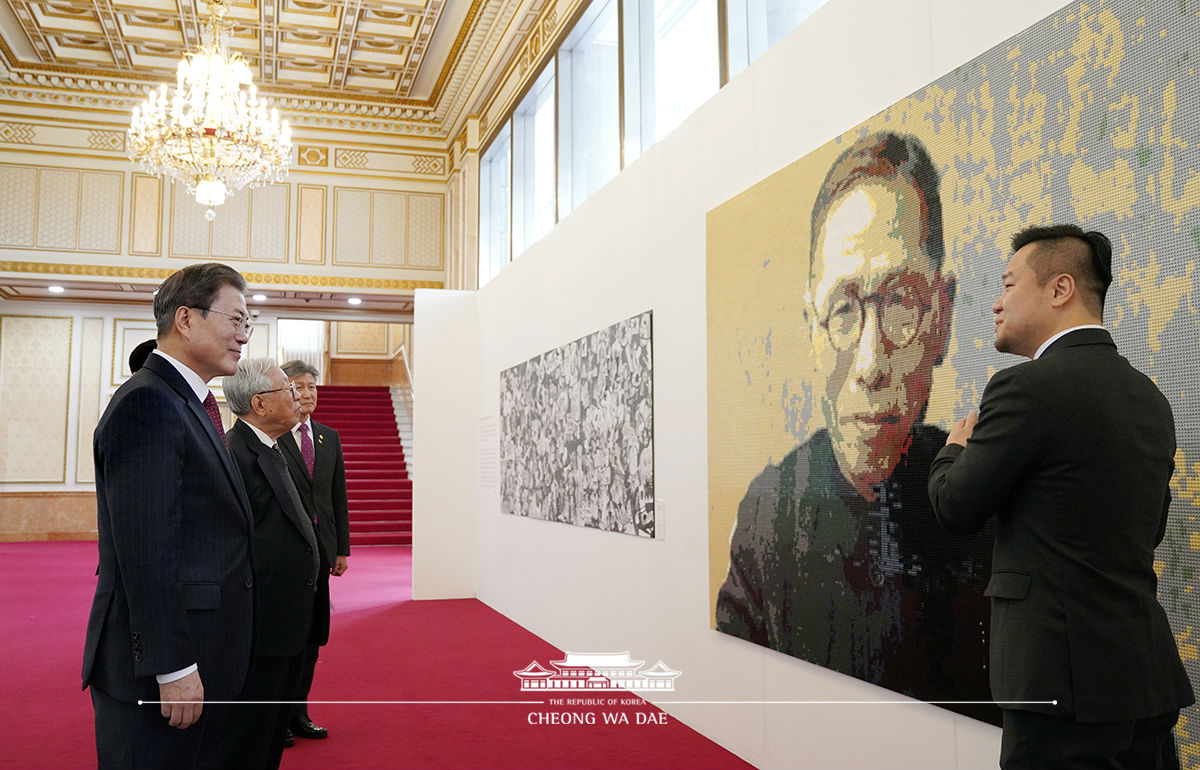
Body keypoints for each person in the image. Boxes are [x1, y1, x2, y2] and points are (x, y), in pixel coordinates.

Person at [715, 131, 995, 719]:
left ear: (941, 318)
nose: (870, 363)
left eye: (900, 300)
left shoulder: (995, 510)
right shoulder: (769, 516)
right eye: (843, 307)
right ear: (812, 331)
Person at [928, 224, 1194, 768]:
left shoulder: (1023, 388)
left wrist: (952, 450)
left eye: (1007, 285)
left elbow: (956, 506)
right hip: (1144, 682)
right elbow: (1147, 531)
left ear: (1060, 289)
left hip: (1057, 692)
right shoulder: (1151, 400)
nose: (996, 305)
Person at [82, 263, 255, 770]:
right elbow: (145, 550)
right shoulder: (148, 403)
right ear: (186, 318)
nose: (244, 336)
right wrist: (172, 665)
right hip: (164, 664)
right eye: (236, 319)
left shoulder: (190, 401)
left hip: (201, 649)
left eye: (249, 323)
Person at [221, 359, 320, 770]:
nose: (298, 397)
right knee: (250, 735)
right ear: (260, 404)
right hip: (260, 625)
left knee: (269, 733)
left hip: (286, 621)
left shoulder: (272, 447)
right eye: (288, 390)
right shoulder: (234, 454)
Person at [276, 359, 351, 743]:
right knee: (285, 637)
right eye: (297, 387)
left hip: (321, 554)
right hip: (286, 555)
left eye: (311, 387)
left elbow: (337, 496)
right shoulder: (272, 436)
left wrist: (341, 549)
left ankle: (299, 714)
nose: (306, 394)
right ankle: (277, 719)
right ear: (283, 391)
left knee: (310, 637)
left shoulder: (328, 437)